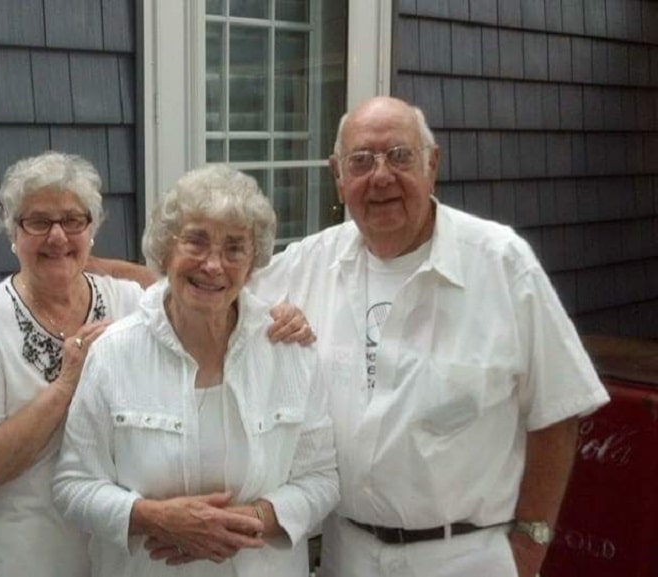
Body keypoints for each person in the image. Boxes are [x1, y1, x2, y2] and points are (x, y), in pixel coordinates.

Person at [247, 96, 610, 577]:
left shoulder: (501, 262)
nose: (380, 177)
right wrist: (116, 298)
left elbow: (557, 412)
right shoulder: (310, 263)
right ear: (338, 176)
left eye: (400, 156)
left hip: (465, 555)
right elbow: (208, 288)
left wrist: (530, 544)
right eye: (361, 161)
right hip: (346, 553)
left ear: (432, 164)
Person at [52, 164, 340, 577]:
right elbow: (73, 485)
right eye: (196, 241)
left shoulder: (288, 351)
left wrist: (245, 523)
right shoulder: (115, 354)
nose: (213, 264)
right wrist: (154, 518)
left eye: (234, 248)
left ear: (254, 260)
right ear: (166, 250)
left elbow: (321, 479)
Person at [0, 151, 143, 577]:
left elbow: (198, 294)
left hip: (113, 554)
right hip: (17, 557)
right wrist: (66, 383)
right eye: (37, 221)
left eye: (74, 220)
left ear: (93, 229)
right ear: (12, 232)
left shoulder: (129, 303)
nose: (58, 236)